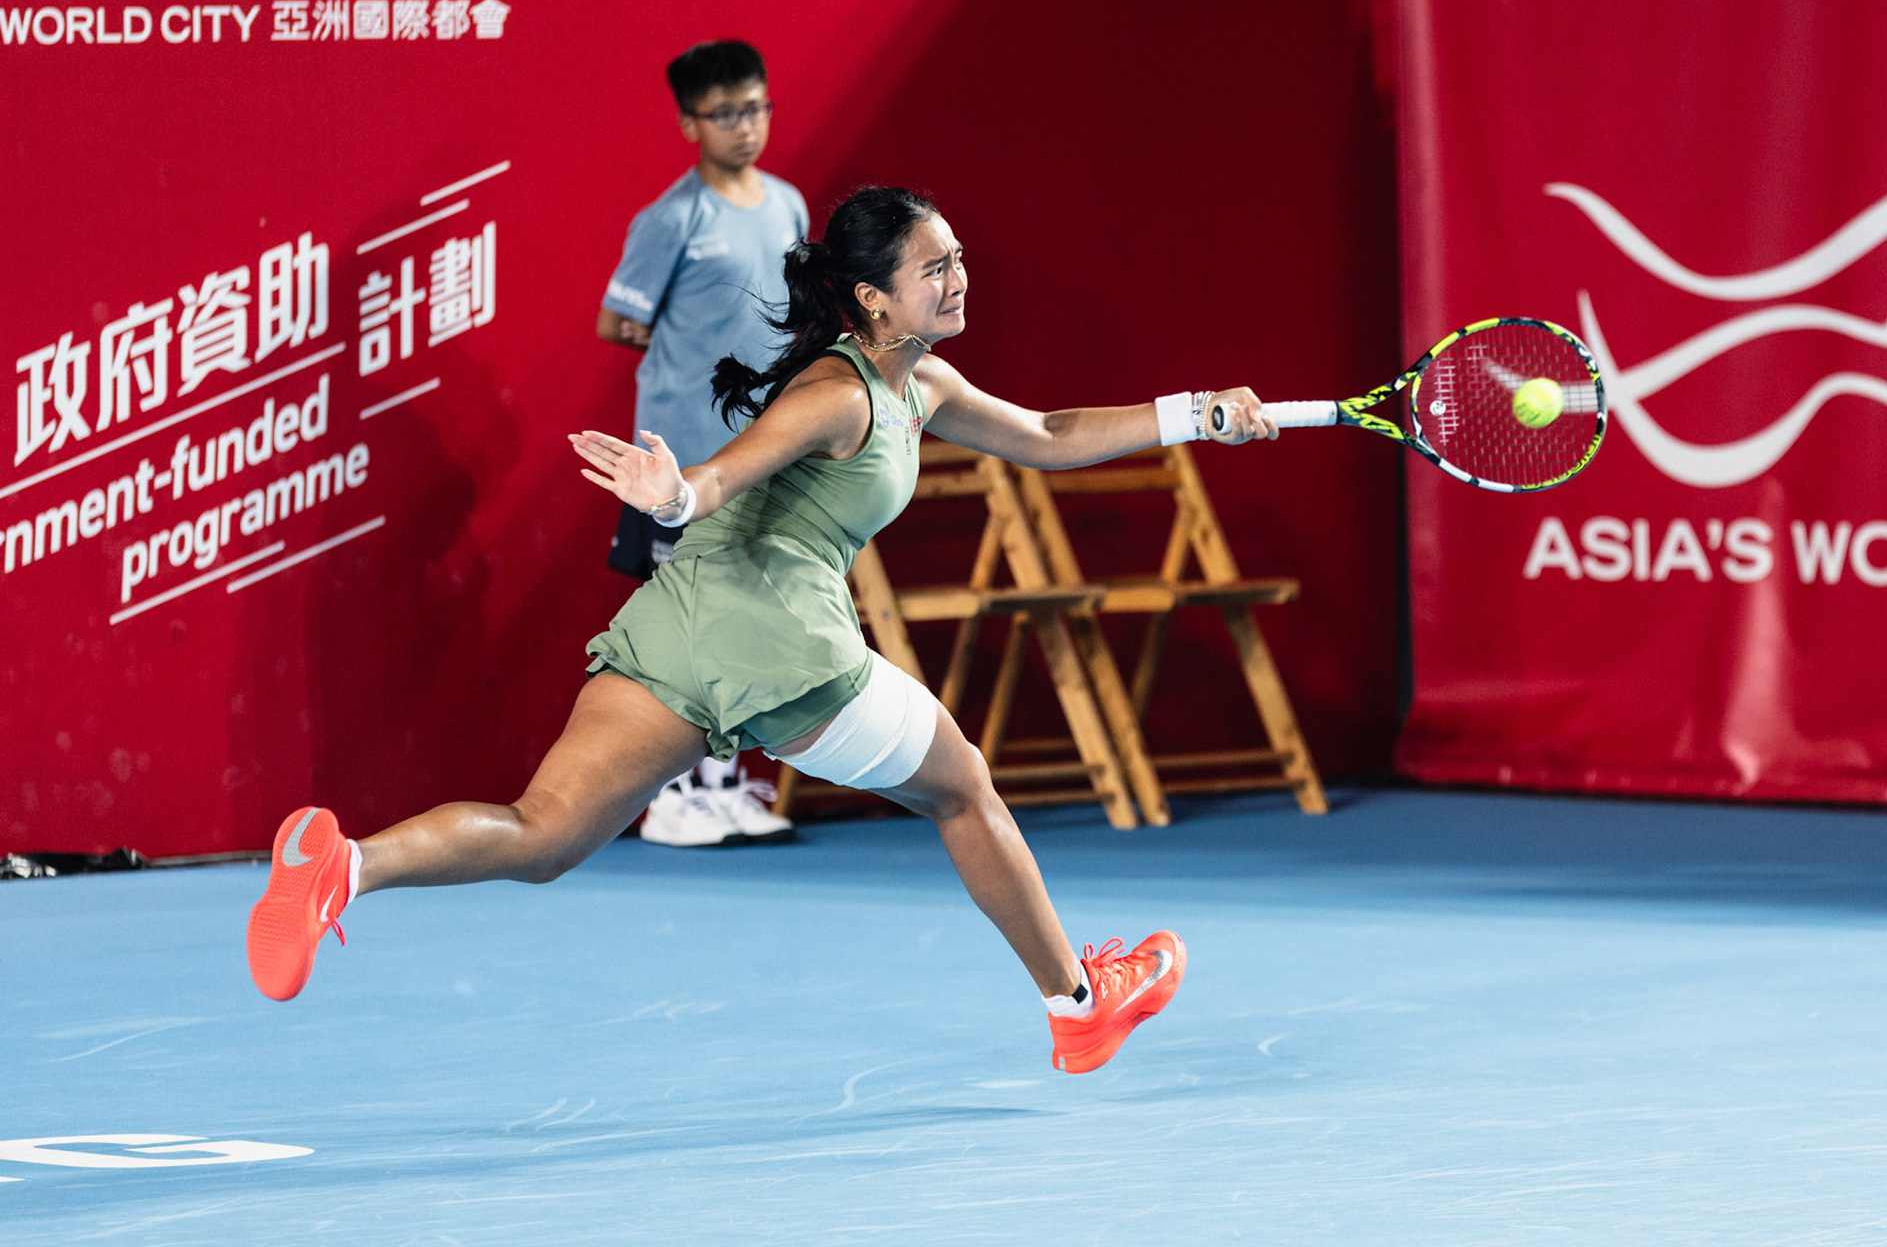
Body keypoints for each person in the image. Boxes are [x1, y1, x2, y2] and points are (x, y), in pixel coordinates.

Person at [246, 187, 1279, 1073]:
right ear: (874, 296)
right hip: (778, 640)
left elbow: (1048, 437)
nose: (960, 277)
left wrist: (1197, 412)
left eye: (959, 258)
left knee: (545, 832)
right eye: (935, 266)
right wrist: (673, 489)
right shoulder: (837, 392)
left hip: (681, 622)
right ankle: (1078, 1006)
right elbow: (724, 472)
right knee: (963, 787)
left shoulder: (918, 382)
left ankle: (348, 864)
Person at [596, 38, 808, 847]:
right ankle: (670, 798)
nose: (745, 127)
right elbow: (619, 320)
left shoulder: (787, 205)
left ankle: (719, 786)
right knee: (682, 628)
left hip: (759, 453)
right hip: (678, 461)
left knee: (745, 619)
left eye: (755, 107)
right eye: (725, 115)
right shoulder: (670, 218)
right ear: (691, 123)